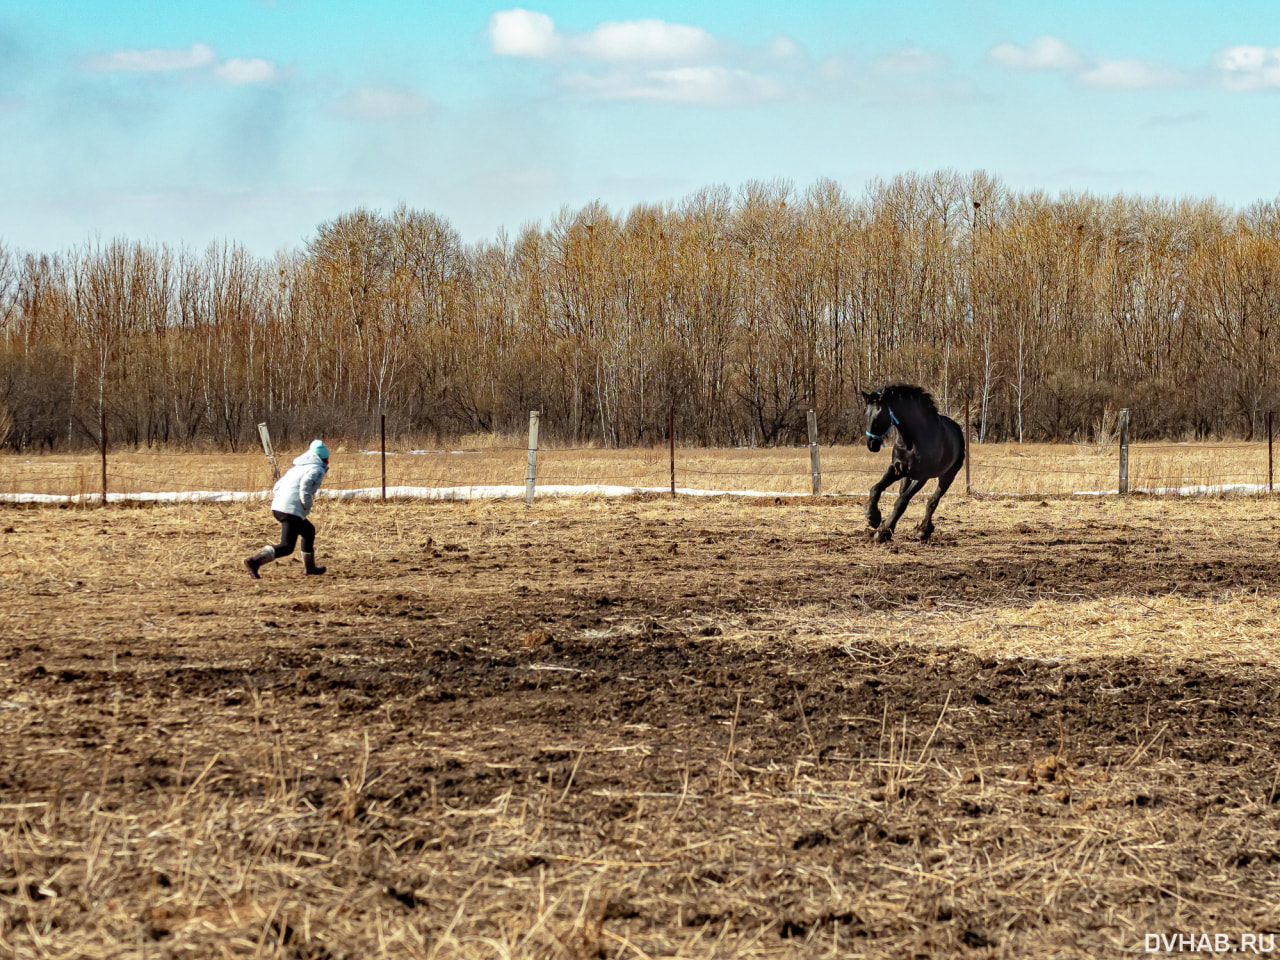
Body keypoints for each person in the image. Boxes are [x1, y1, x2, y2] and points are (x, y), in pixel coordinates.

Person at [244, 439, 331, 578]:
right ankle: (255, 561)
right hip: (290, 510)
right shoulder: (316, 468)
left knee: (308, 531)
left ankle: (310, 567)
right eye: (327, 458)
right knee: (286, 547)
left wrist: (283, 500)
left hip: (278, 506)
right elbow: (306, 485)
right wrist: (306, 504)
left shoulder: (297, 468)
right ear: (323, 458)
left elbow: (277, 486)